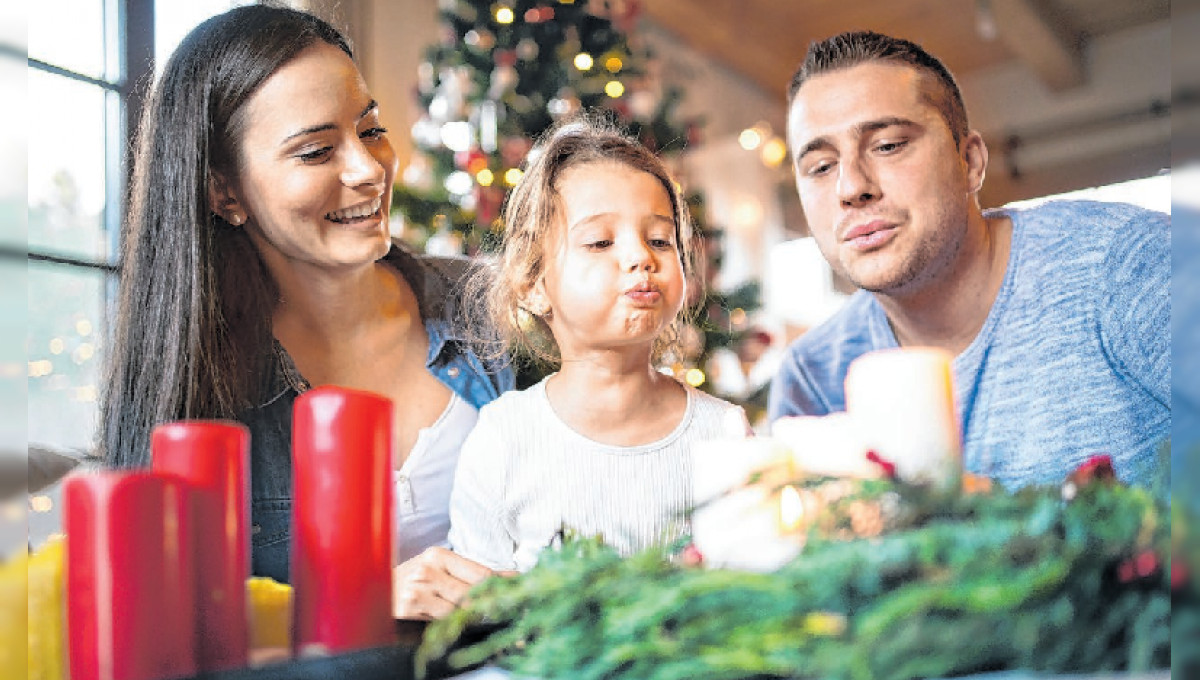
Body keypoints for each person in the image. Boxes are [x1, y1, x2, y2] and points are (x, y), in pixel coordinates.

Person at [99, 4, 513, 620]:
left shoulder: (490, 311)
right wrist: (355, 609)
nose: (369, 170)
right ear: (223, 191)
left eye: (370, 129)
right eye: (316, 151)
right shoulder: (191, 379)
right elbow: (162, 625)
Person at [768, 31, 1170, 489]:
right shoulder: (813, 377)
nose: (850, 188)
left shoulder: (1128, 265)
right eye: (821, 167)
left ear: (971, 162)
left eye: (888, 145)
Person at [448, 117, 750, 571]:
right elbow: (474, 616)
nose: (640, 258)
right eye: (600, 241)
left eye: (659, 240)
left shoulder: (723, 433)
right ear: (533, 284)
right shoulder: (504, 438)